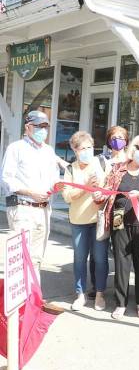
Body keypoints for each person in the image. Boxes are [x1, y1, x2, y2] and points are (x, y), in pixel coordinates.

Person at [95, 135, 139, 320]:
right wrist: (98, 194)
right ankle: (120, 303)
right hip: (118, 220)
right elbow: (106, 190)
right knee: (121, 262)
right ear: (132, 148)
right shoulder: (118, 168)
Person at [1, 110, 60, 274]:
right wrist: (30, 193)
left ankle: (34, 298)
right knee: (20, 259)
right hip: (23, 208)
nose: (43, 131)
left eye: (46, 127)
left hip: (44, 210)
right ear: (28, 127)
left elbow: (54, 178)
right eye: (39, 126)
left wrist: (59, 186)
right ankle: (20, 300)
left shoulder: (48, 150)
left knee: (36, 259)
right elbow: (6, 179)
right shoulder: (16, 148)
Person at [61, 131, 110, 312]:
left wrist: (101, 193)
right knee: (80, 258)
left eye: (90, 147)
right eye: (83, 148)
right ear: (75, 150)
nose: (87, 151)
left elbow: (111, 189)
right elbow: (67, 196)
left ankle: (99, 294)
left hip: (98, 220)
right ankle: (80, 294)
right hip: (78, 221)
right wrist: (86, 188)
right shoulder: (70, 169)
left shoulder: (103, 163)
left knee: (100, 259)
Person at [87, 125, 130, 300]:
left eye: (121, 137)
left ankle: (121, 290)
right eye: (114, 137)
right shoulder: (101, 160)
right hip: (104, 211)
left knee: (119, 249)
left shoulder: (130, 160)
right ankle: (97, 287)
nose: (117, 140)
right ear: (108, 141)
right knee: (99, 249)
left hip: (119, 212)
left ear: (126, 141)